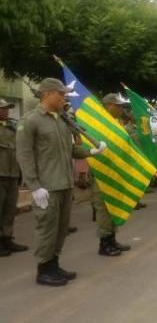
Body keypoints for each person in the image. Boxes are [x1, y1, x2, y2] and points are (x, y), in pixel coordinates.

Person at [16, 78, 107, 286]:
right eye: (61, 94)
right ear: (47, 94)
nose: (65, 97)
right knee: (47, 228)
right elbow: (24, 155)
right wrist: (34, 186)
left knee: (61, 228)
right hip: (46, 187)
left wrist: (91, 151)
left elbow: (71, 150)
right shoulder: (31, 120)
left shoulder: (62, 120)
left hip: (65, 183)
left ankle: (54, 264)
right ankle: (44, 269)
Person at [93, 94, 131, 257]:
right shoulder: (98, 123)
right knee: (104, 207)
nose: (121, 109)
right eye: (118, 106)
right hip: (103, 170)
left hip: (116, 170)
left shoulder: (117, 123)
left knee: (113, 205)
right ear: (108, 105)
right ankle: (104, 242)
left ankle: (112, 238)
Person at [0, 99, 28, 257]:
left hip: (12, 174)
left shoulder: (12, 128)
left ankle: (7, 238)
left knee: (10, 209)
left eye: (7, 109)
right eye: (3, 109)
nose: (7, 111)